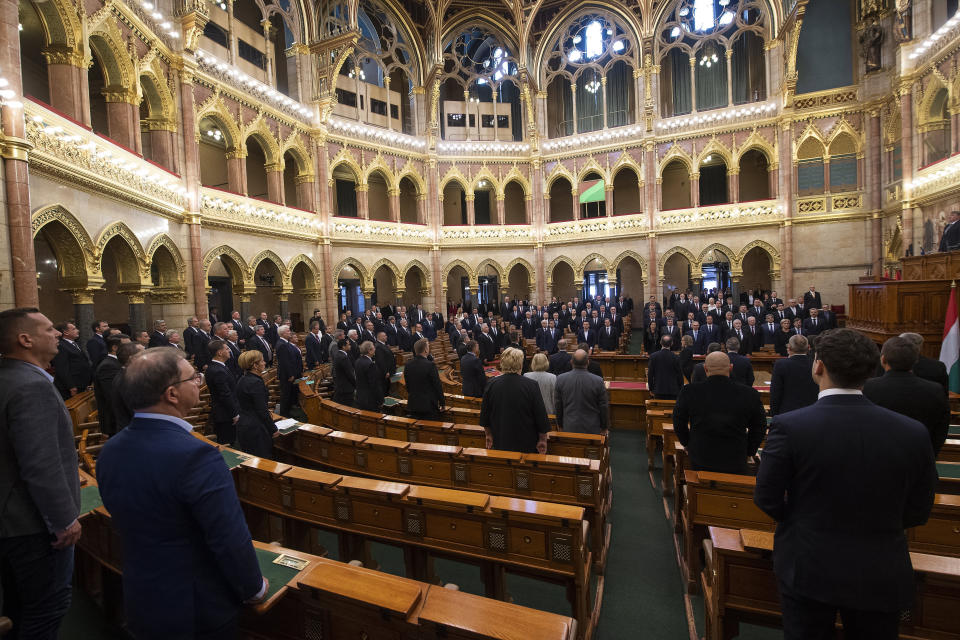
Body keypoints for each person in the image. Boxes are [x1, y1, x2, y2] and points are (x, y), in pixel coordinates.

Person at [756, 329, 937, 640]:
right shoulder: (912, 432)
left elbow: (767, 497)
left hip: (808, 562)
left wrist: (800, 521)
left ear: (819, 366)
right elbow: (919, 509)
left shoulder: (790, 426)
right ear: (873, 368)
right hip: (881, 565)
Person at [96, 347, 268, 639]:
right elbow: (227, 536)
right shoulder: (196, 455)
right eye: (193, 378)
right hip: (196, 606)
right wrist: (254, 587)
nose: (199, 382)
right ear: (172, 394)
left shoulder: (109, 451)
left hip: (142, 596)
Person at [0, 308, 81, 639]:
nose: (57, 334)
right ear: (25, 339)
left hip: (11, 522)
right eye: (50, 329)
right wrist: (63, 519)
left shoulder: (7, 377)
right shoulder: (30, 386)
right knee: (46, 609)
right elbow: (41, 462)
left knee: (20, 605)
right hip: (32, 525)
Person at [673, 351, 766, 474]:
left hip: (700, 454)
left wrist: (687, 443)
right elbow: (759, 427)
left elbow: (678, 421)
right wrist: (749, 450)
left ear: (705, 369)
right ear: (731, 368)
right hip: (736, 456)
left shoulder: (689, 391)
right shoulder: (749, 394)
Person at [864, 336, 950, 455]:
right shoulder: (935, 390)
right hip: (920, 456)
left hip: (877, 456)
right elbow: (941, 429)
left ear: (883, 360)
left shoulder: (868, 388)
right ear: (915, 360)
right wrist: (929, 454)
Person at [480, 348, 549, 453]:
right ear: (520, 364)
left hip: (500, 440)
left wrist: (488, 434)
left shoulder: (491, 383)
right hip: (526, 442)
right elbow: (540, 415)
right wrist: (543, 439)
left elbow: (485, 414)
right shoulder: (531, 385)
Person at [235, 350, 278, 459]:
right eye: (262, 361)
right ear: (255, 365)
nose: (264, 363)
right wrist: (273, 429)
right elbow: (261, 410)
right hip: (255, 428)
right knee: (263, 459)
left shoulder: (242, 379)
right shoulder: (255, 382)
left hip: (244, 424)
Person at [554, 350, 609, 434]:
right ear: (588, 362)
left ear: (571, 362)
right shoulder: (598, 381)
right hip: (592, 428)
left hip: (569, 427)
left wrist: (560, 425)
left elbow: (558, 406)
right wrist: (604, 427)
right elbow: (603, 407)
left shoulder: (560, 379)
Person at [770, 335, 819, 416]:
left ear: (789, 348)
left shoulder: (781, 364)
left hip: (787, 413)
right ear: (808, 347)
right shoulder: (815, 364)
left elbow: (776, 392)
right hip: (812, 412)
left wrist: (774, 414)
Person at [205, 339, 239, 445]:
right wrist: (235, 414)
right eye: (227, 349)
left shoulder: (219, 367)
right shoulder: (218, 370)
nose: (229, 351)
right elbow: (225, 394)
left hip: (225, 412)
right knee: (227, 444)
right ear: (219, 353)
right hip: (225, 414)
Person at [94, 333, 128, 436]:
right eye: (127, 346)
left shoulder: (116, 362)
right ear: (114, 347)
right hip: (116, 421)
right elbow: (113, 396)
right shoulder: (108, 366)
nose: (130, 348)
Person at [404, 339, 444, 419]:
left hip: (413, 404)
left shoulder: (408, 365)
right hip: (428, 406)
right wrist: (442, 403)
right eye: (428, 346)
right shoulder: (430, 365)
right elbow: (437, 386)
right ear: (425, 350)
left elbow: (408, 386)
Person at [52, 322, 92, 399]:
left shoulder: (75, 343)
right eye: (74, 329)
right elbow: (62, 368)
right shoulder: (61, 345)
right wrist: (71, 386)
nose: (78, 330)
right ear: (65, 332)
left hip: (81, 384)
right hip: (71, 388)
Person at [276, 326, 303, 418]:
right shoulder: (282, 344)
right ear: (283, 333)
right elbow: (284, 362)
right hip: (286, 375)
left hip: (290, 373)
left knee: (289, 394)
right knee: (286, 395)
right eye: (288, 331)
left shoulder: (285, 343)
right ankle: (284, 415)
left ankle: (289, 411)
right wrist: (290, 374)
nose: (290, 332)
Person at [355, 341, 384, 412]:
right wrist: (380, 400)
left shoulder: (358, 361)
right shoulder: (370, 364)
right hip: (370, 399)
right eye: (374, 348)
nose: (375, 350)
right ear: (369, 351)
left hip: (360, 397)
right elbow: (374, 385)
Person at [332, 338, 357, 406]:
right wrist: (356, 384)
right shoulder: (343, 357)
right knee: (348, 407)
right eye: (348, 345)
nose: (350, 346)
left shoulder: (339, 354)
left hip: (341, 385)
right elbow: (350, 374)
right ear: (343, 346)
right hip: (346, 388)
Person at [374, 331, 396, 397]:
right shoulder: (378, 346)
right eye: (384, 336)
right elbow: (381, 361)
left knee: (387, 388)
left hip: (388, 371)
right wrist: (386, 371)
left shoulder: (382, 345)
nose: (386, 337)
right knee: (384, 388)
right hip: (384, 373)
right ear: (380, 337)